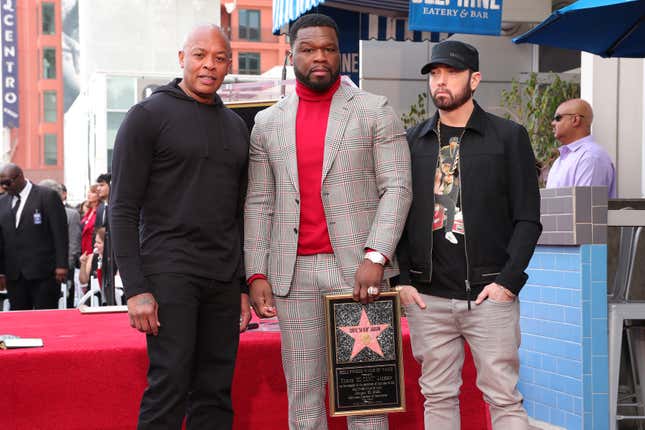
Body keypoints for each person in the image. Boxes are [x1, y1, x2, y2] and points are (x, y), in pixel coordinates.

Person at [244, 13, 412, 430]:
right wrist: (257, 271)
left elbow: (398, 188)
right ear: (291, 54)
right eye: (308, 49)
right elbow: (260, 201)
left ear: (340, 54)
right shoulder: (267, 123)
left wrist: (376, 255)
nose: (320, 57)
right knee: (302, 391)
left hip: (359, 271)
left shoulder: (375, 111)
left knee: (366, 391)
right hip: (292, 274)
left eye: (328, 49)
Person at [109, 24, 250, 429]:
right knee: (169, 385)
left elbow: (237, 212)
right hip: (169, 272)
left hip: (222, 278)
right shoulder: (147, 117)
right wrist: (135, 288)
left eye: (220, 58)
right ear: (181, 58)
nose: (209, 64)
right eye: (200, 54)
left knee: (216, 392)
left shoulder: (236, 127)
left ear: (229, 65)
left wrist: (240, 285)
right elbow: (122, 208)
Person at [396, 40, 542, 430]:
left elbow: (528, 218)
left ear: (475, 79)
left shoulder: (508, 137)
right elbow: (395, 210)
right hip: (428, 299)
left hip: (488, 294)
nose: (441, 82)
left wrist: (507, 283)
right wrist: (404, 281)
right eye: (435, 74)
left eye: (452, 73)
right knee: (438, 397)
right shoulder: (413, 141)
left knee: (504, 400)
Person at [0, 164, 69, 310]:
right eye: (1, 184)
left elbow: (60, 233)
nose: (4, 187)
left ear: (20, 177)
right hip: (14, 274)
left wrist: (61, 265)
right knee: (20, 319)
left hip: (44, 272)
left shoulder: (46, 196)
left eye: (7, 183)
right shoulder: (3, 202)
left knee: (45, 317)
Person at [546, 98, 616, 197]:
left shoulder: (590, 157)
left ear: (575, 120)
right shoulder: (561, 160)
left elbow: (585, 208)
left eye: (558, 118)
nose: (553, 123)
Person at [39, 179, 82, 308]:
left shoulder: (71, 214)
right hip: (40, 270)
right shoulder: (36, 213)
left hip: (62, 269)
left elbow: (74, 244)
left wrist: (66, 267)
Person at [81, 184, 100, 255]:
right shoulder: (89, 211)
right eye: (88, 192)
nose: (89, 194)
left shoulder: (100, 211)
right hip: (84, 250)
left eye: (92, 192)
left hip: (93, 250)